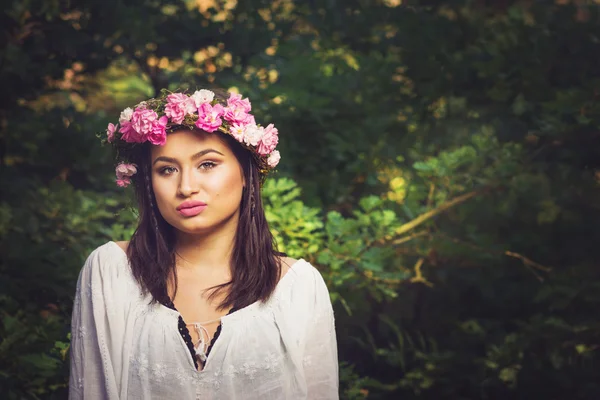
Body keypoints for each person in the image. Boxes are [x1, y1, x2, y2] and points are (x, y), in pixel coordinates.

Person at [68, 88, 339, 399]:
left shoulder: (298, 286)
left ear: (247, 174)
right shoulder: (112, 270)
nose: (186, 187)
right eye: (167, 170)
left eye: (207, 164)